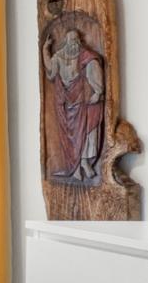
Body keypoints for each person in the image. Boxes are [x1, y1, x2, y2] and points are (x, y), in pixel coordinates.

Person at [43, 28, 105, 182]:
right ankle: (76, 167)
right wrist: (45, 50)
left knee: (89, 130)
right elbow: (50, 70)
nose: (75, 45)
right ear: (66, 43)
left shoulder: (86, 57)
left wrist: (98, 91)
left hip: (84, 102)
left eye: (77, 41)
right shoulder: (59, 57)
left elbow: (94, 67)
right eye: (72, 41)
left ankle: (85, 161)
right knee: (73, 137)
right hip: (68, 104)